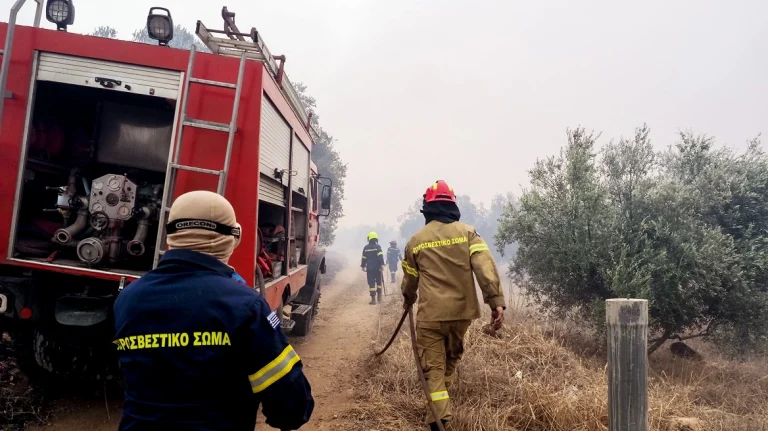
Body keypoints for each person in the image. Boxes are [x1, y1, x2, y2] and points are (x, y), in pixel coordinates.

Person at [113, 190, 314, 431]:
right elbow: (291, 407)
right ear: (233, 238)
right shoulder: (246, 306)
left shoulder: (128, 300)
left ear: (171, 235)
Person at [400, 180, 506, 431]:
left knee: (434, 368)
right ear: (452, 206)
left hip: (430, 317)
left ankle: (439, 418)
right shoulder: (469, 233)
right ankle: (440, 407)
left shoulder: (416, 240)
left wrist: (408, 299)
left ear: (427, 208)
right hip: (461, 316)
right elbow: (485, 270)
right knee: (452, 357)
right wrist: (496, 302)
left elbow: (410, 280)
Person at [360, 231, 385, 305]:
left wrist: (363, 266)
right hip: (378, 268)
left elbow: (364, 258)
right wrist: (382, 265)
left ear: (369, 238)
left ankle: (373, 300)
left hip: (370, 269)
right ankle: (379, 298)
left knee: (371, 283)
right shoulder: (378, 247)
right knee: (379, 282)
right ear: (376, 238)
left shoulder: (366, 247)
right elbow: (380, 257)